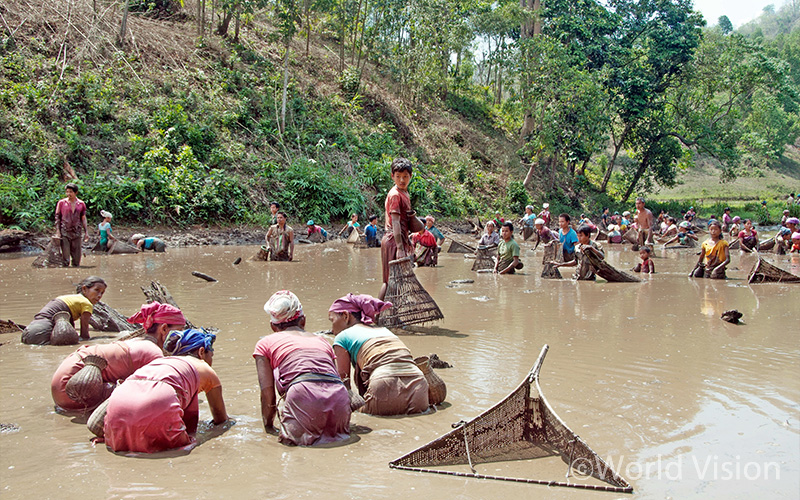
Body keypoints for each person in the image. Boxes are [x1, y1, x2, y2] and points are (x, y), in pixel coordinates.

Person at [103, 328, 229, 453]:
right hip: (158, 402)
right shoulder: (205, 368)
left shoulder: (158, 362)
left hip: (117, 404)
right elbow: (220, 418)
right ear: (201, 352)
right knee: (185, 447)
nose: (211, 361)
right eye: (211, 355)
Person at [253, 291, 350, 446]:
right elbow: (335, 376)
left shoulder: (265, 343)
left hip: (303, 394)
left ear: (272, 326)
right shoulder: (323, 341)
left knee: (293, 451)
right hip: (340, 397)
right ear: (303, 321)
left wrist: (268, 427)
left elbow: (267, 394)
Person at [51, 303, 186, 411]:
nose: (181, 336)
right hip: (73, 388)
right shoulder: (152, 351)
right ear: (163, 329)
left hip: (62, 383)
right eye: (179, 331)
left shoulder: (138, 341)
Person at [328, 294, 429, 416]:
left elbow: (343, 381)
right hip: (419, 386)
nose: (332, 329)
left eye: (332, 320)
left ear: (345, 316)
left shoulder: (342, 337)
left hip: (383, 384)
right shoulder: (384, 330)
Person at [21, 277, 106, 345]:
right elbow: (84, 334)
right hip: (43, 331)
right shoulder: (86, 303)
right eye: (96, 290)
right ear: (84, 289)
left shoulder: (69, 298)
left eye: (102, 293)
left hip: (29, 330)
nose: (99, 295)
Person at [380, 158, 416, 300]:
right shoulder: (395, 195)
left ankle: (393, 314)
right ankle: (377, 315)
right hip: (393, 240)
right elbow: (395, 221)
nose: (402, 180)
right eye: (398, 176)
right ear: (392, 176)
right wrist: (400, 248)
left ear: (410, 177)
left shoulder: (405, 193)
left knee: (397, 281)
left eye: (405, 176)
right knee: (389, 281)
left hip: (399, 239)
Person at [54, 183, 89, 267]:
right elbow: (57, 218)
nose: (68, 194)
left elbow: (83, 218)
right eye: (67, 192)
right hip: (65, 231)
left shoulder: (81, 204)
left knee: (77, 260)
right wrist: (58, 231)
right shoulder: (61, 203)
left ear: (75, 192)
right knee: (65, 258)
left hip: (77, 232)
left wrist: (86, 232)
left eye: (70, 192)